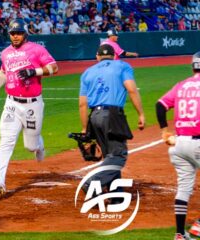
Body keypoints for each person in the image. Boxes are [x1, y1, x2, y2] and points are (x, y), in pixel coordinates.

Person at [0, 19, 58, 195]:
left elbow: (54, 67)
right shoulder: (6, 53)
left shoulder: (36, 49)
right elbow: (3, 72)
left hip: (33, 104)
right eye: (12, 33)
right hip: (12, 103)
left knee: (30, 146)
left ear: (25, 33)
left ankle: (39, 145)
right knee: (6, 142)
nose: (15, 36)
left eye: (18, 33)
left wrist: (35, 71)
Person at [79, 44, 145, 199]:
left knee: (109, 155)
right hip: (113, 115)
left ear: (97, 57)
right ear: (114, 56)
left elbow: (82, 103)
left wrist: (84, 129)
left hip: (94, 116)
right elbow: (131, 89)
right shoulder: (122, 66)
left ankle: (116, 195)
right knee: (118, 155)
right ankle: (91, 183)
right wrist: (141, 113)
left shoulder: (87, 72)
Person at [156, 51, 200, 240]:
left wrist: (165, 130)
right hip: (197, 142)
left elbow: (160, 105)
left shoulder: (181, 86)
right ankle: (198, 225)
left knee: (183, 188)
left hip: (179, 145)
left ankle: (180, 234)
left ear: (193, 66)